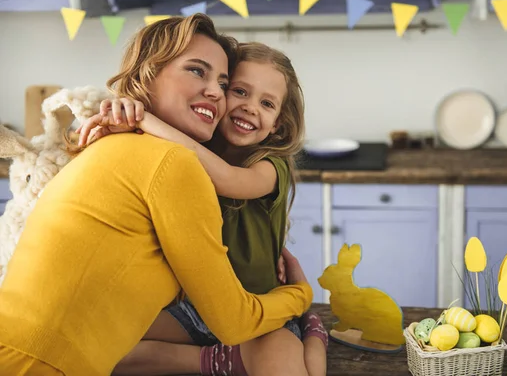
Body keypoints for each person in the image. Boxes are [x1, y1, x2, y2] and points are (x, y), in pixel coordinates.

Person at [0, 14, 313, 376]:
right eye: (198, 71)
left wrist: (142, 117)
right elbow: (234, 321)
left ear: (279, 124)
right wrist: (301, 296)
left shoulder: (123, 144)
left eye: (222, 83)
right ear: (147, 74)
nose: (216, 92)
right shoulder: (172, 162)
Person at [78, 42, 328, 376]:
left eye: (266, 103)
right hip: (196, 309)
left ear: (278, 125)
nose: (251, 108)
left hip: (261, 309)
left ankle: (314, 333)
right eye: (239, 91)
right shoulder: (191, 144)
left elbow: (228, 179)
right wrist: (129, 110)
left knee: (294, 366)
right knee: (101, 344)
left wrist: (146, 120)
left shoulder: (272, 165)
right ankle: (217, 360)